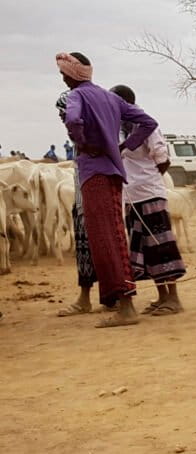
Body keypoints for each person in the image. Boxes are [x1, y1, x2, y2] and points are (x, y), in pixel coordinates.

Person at [58, 51, 158, 328]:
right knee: (114, 234)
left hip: (94, 173)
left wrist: (83, 143)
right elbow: (148, 123)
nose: (62, 78)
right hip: (114, 171)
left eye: (63, 73)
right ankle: (122, 301)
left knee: (104, 239)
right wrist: (123, 146)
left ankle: (126, 307)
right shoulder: (111, 97)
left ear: (72, 73)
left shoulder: (77, 96)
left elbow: (73, 120)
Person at [111, 84, 186, 315]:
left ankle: (173, 298)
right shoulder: (119, 128)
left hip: (150, 193)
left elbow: (162, 159)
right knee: (146, 248)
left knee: (160, 244)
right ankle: (161, 296)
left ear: (124, 104)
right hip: (131, 197)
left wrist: (148, 180)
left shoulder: (145, 124)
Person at [54, 90, 101, 318]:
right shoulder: (83, 140)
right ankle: (105, 297)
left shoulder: (87, 138)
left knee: (89, 245)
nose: (64, 120)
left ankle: (86, 299)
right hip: (87, 200)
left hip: (90, 201)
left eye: (64, 114)